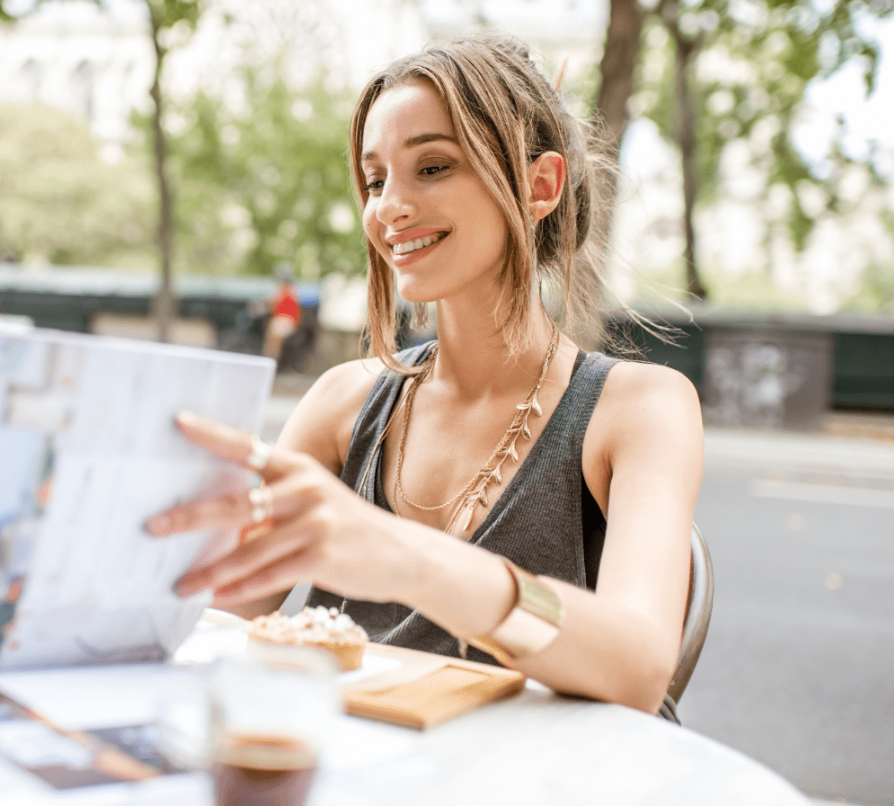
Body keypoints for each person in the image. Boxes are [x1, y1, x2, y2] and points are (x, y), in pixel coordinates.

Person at [146, 37, 703, 715]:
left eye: (433, 167)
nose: (389, 207)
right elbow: (203, 613)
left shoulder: (639, 407)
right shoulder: (341, 403)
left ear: (540, 186)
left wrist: (407, 558)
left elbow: (639, 667)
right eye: (375, 179)